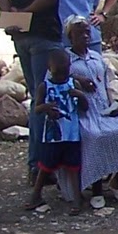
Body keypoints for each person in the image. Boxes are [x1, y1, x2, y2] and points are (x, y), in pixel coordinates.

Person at [0, 0, 72, 178]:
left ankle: (39, 164)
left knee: (34, 97)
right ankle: (40, 166)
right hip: (45, 35)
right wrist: (26, 12)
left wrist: (12, 15)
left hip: (21, 34)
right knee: (46, 99)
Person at [64, 16, 118, 208]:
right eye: (79, 33)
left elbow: (108, 84)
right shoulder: (65, 60)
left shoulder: (96, 57)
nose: (85, 36)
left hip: (104, 109)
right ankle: (96, 188)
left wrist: (114, 104)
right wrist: (76, 79)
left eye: (87, 32)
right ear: (70, 36)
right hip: (82, 113)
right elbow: (56, 83)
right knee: (96, 136)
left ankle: (117, 179)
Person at [29, 48, 86, 212]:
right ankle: (36, 195)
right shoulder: (44, 86)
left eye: (65, 70)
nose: (62, 75)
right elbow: (37, 109)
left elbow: (85, 107)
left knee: (74, 167)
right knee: (45, 165)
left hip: (71, 134)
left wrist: (80, 95)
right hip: (53, 135)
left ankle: (77, 199)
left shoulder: (73, 84)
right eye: (58, 71)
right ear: (49, 69)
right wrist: (46, 107)